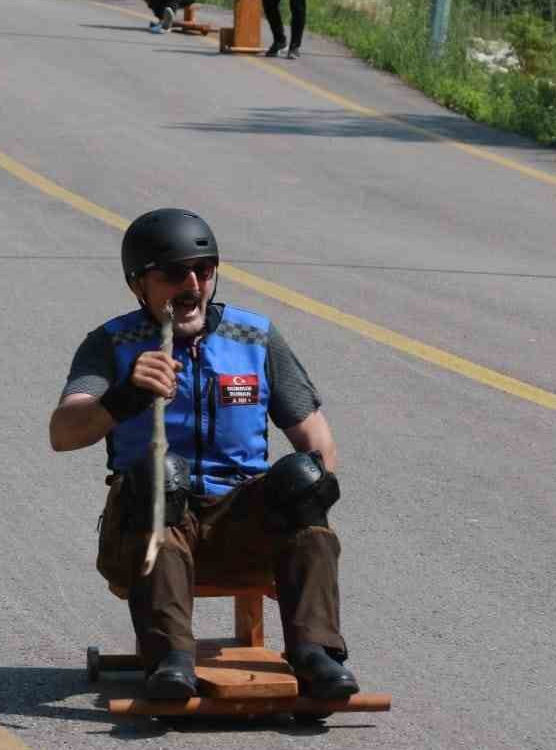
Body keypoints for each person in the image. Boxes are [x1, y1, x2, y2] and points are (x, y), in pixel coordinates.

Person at [49, 208, 359, 701]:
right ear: (139, 285)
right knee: (160, 473)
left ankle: (316, 652)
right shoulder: (111, 344)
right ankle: (170, 658)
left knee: (303, 476)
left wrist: (315, 494)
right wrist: (122, 397)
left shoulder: (254, 338)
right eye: (173, 275)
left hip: (243, 528)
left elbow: (317, 440)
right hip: (149, 532)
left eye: (205, 270)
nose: (192, 284)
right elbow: (63, 433)